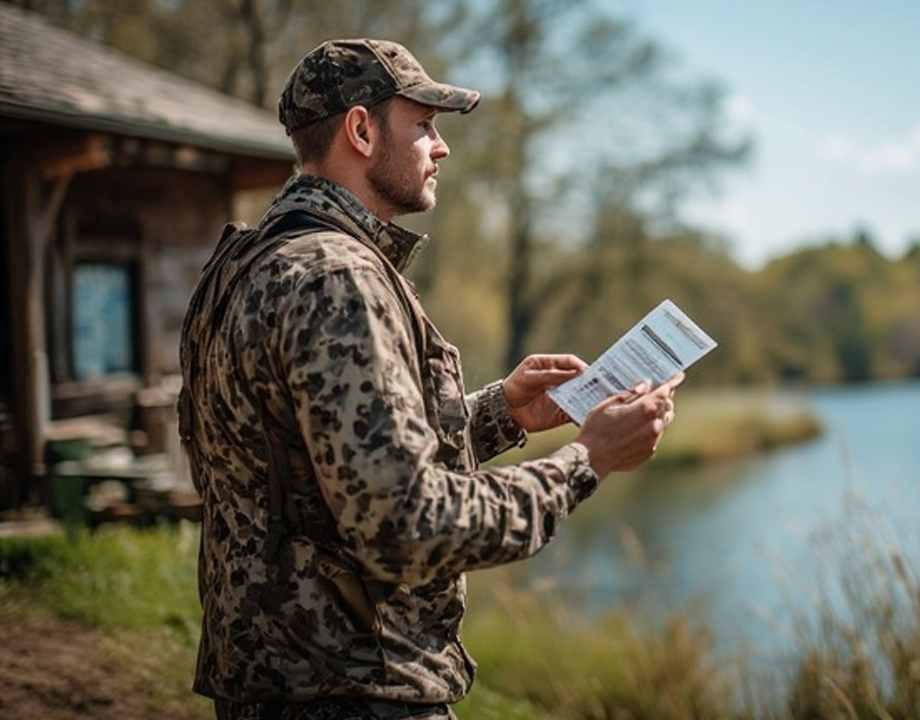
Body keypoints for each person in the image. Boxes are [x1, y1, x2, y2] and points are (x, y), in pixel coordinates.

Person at [178, 38, 681, 720]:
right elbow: (407, 525)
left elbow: (305, 466)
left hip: (270, 681)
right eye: (424, 125)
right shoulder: (339, 277)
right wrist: (587, 460)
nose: (440, 147)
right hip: (352, 689)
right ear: (361, 131)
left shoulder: (247, 265)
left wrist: (501, 412)